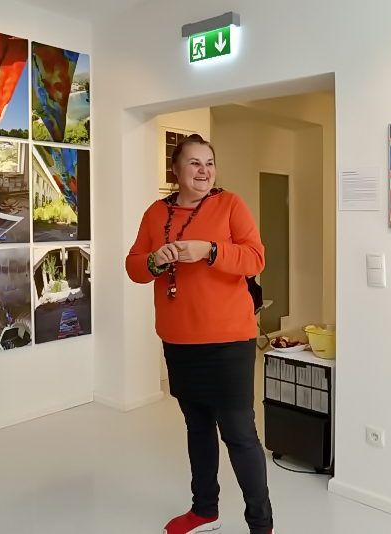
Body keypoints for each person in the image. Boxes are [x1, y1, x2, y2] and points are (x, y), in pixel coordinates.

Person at [125, 134, 273, 534]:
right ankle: (205, 510)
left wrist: (211, 250)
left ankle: (262, 525)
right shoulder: (156, 213)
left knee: (239, 434)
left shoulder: (231, 204)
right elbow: (134, 266)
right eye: (194, 163)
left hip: (229, 340)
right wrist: (155, 260)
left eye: (209, 163)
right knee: (198, 428)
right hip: (179, 341)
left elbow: (256, 258)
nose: (204, 171)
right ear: (176, 170)